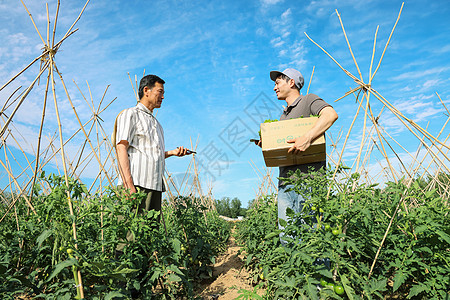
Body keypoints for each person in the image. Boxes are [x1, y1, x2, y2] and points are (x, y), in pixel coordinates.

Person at [258, 68, 338, 243]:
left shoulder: (308, 100)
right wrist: (269, 144)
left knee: (313, 238)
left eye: (277, 83)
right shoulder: (283, 116)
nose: (274, 88)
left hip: (309, 182)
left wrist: (307, 138)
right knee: (287, 238)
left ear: (291, 82)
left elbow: (330, 114)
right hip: (286, 184)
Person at [113, 74, 191, 224]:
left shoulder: (157, 124)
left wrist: (173, 153)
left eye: (163, 93)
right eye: (160, 92)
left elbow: (152, 154)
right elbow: (121, 147)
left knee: (148, 236)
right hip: (137, 184)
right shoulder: (131, 114)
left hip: (154, 185)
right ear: (146, 90)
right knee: (130, 235)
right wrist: (128, 184)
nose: (162, 97)